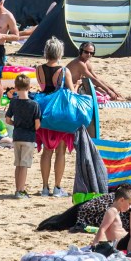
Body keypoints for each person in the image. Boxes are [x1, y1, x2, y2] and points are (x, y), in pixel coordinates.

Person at [36, 37, 75, 197]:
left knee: (46, 151)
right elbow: (71, 93)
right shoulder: (64, 71)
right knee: (60, 151)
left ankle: (45, 187)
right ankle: (57, 187)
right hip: (59, 114)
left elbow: (43, 88)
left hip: (44, 111)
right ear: (59, 52)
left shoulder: (39, 69)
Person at [6, 73, 40, 199]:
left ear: (15, 87)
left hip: (17, 135)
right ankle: (21, 190)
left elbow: (8, 120)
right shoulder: (34, 104)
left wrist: (17, 124)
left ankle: (17, 189)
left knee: (18, 164)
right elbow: (37, 125)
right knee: (24, 165)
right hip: (28, 137)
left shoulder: (14, 102)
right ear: (29, 87)